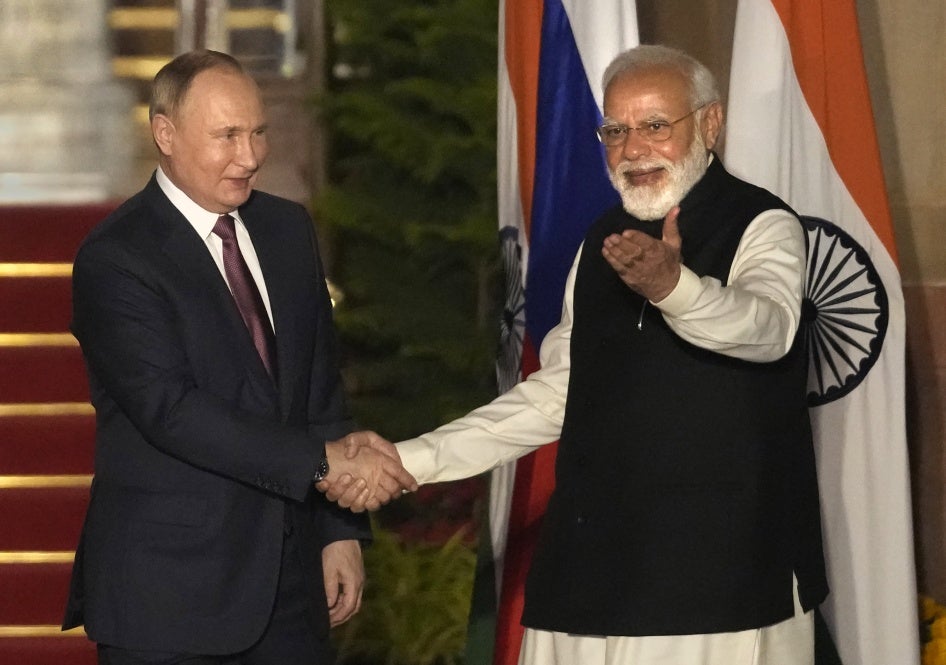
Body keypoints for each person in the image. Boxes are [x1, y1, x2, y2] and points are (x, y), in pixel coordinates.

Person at [322, 44, 829, 665]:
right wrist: (409, 459)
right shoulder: (602, 239)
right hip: (585, 582)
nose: (633, 149)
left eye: (654, 125)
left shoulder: (763, 224)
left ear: (710, 123)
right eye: (615, 130)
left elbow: (770, 329)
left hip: (719, 586)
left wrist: (674, 288)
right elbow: (558, 394)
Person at [62, 50, 417, 665]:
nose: (250, 156)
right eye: (226, 135)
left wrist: (337, 533)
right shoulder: (116, 257)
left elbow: (319, 388)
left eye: (258, 132)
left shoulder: (287, 229)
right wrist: (322, 464)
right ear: (165, 134)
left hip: (291, 591)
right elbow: (171, 411)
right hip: (169, 599)